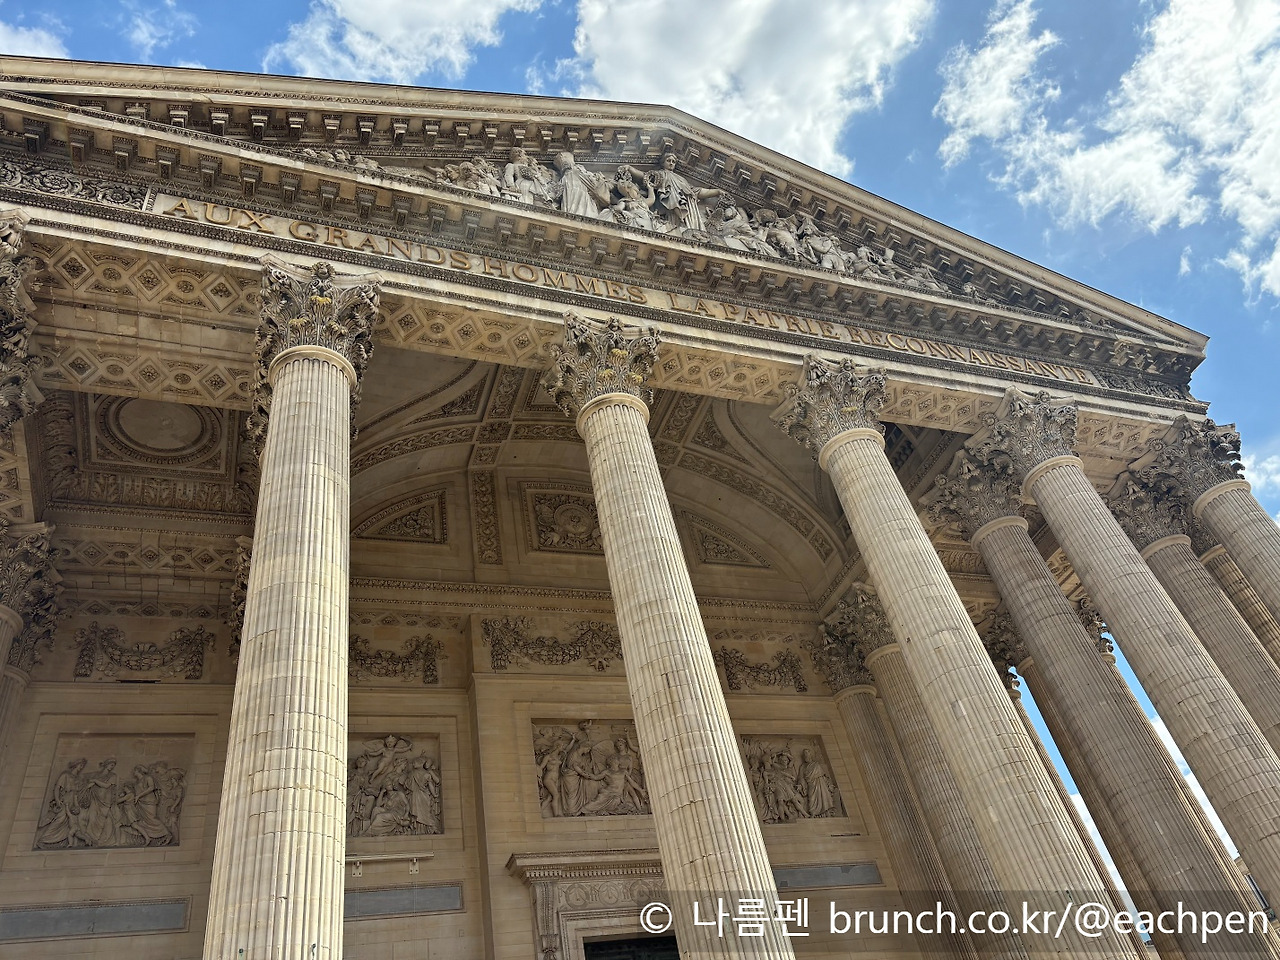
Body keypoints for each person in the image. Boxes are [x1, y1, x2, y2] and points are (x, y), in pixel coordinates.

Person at [554, 152, 612, 219]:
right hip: (570, 202)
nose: (563, 161)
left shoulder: (577, 169)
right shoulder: (565, 177)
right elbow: (558, 193)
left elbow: (592, 181)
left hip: (582, 200)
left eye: (564, 157)